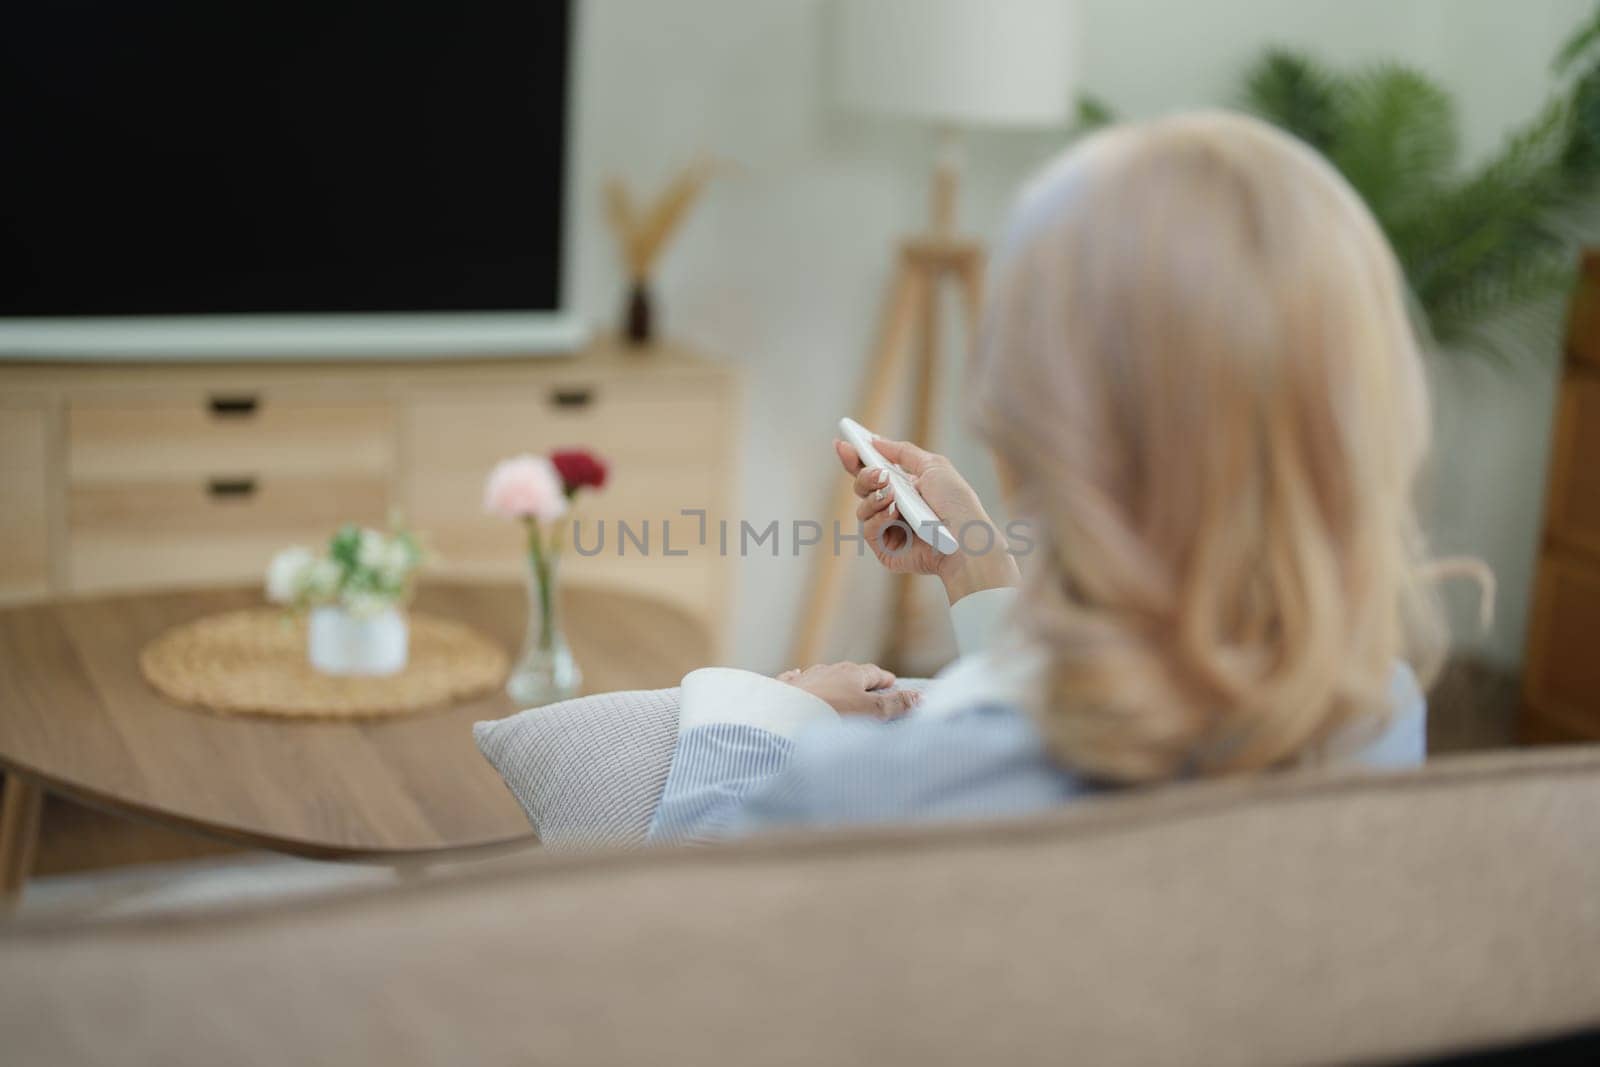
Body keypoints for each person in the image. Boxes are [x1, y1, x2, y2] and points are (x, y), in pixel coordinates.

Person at [647, 111, 1464, 846]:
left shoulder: (893, 784)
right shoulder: (1378, 708)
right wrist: (977, 565)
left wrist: (779, 708)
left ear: (1036, 417)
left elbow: (683, 906)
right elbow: (1140, 680)